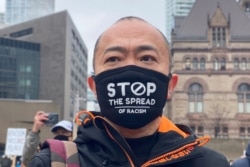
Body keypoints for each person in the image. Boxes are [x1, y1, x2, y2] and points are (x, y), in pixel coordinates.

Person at [31, 16, 230, 166]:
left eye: (147, 58)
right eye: (113, 59)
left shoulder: (212, 164)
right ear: (94, 87)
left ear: (170, 85)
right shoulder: (49, 162)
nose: (131, 68)